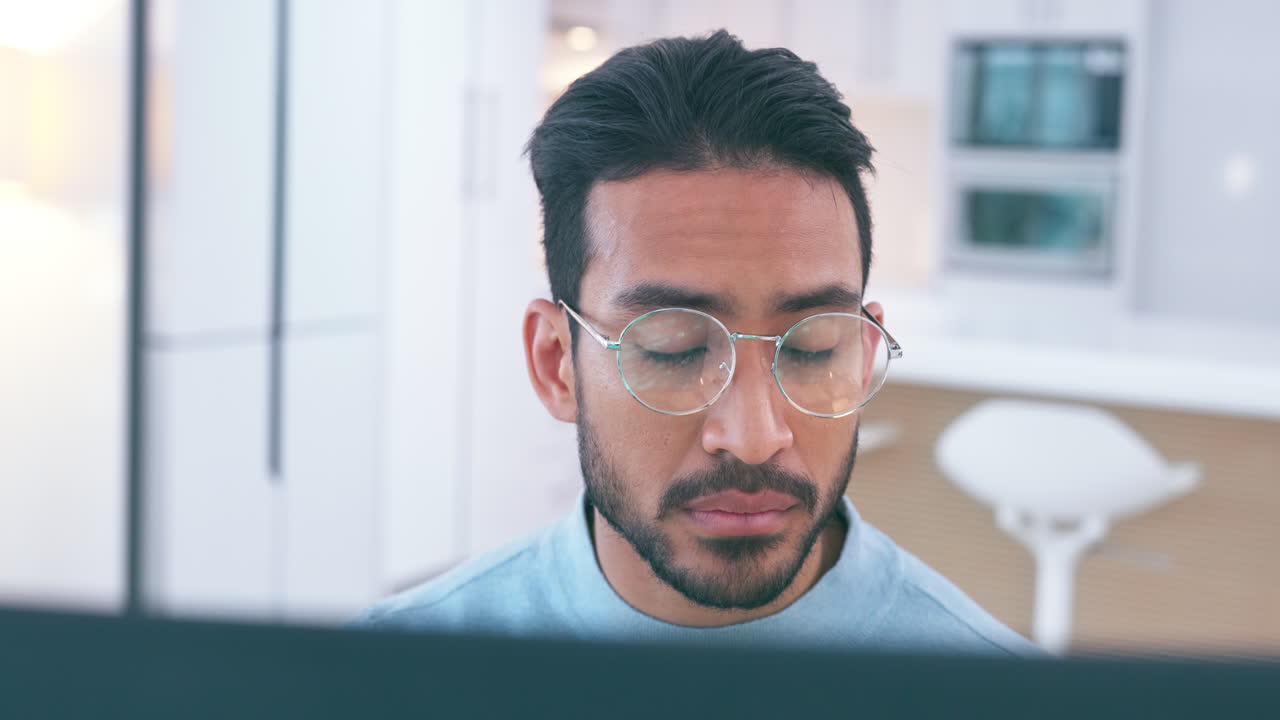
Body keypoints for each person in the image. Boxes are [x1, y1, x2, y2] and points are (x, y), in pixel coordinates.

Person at [355, 30, 1039, 656]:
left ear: (862, 358)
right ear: (556, 364)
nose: (753, 437)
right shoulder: (390, 676)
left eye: (812, 348)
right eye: (677, 350)